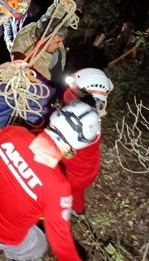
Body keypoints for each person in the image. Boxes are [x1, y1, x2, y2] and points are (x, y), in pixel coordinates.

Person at [0, 101, 101, 261]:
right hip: (1, 236)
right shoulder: (59, 188)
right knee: (39, 244)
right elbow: (61, 241)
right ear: (75, 146)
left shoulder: (14, 134)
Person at [59, 68, 113, 215]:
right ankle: (79, 211)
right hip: (86, 171)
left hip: (72, 175)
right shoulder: (90, 117)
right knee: (76, 189)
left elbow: (58, 148)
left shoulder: (80, 125)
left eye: (75, 91)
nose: (70, 94)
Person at [11, 17, 69, 85]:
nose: (60, 45)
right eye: (57, 42)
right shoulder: (26, 61)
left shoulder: (53, 47)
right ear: (43, 40)